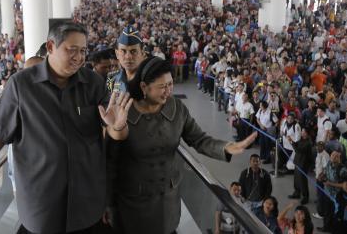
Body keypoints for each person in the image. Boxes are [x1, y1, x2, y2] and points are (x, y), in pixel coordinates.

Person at [0, 21, 133, 233]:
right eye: (71, 50)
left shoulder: (93, 83)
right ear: (50, 47)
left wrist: (118, 126)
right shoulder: (21, 86)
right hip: (42, 208)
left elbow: (117, 132)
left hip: (87, 205)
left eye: (83, 51)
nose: (79, 57)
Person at [107, 56, 257, 234]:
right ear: (143, 87)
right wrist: (108, 203)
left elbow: (198, 139)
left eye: (170, 84)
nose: (168, 91)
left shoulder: (176, 108)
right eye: (162, 86)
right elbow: (110, 160)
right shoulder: (124, 112)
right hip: (133, 201)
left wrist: (225, 147)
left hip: (167, 201)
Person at [107, 25, 146, 94]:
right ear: (117, 54)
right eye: (123, 51)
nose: (128, 56)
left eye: (133, 51)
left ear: (142, 53)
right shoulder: (112, 79)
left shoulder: (153, 80)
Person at [288, 127, 313, 205]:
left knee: (303, 181)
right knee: (296, 179)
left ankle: (305, 197)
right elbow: (297, 144)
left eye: (303, 131)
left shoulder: (308, 143)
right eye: (302, 131)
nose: (301, 132)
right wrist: (292, 141)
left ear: (307, 133)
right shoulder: (301, 139)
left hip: (303, 164)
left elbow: (299, 150)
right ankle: (297, 193)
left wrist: (291, 142)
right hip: (298, 162)